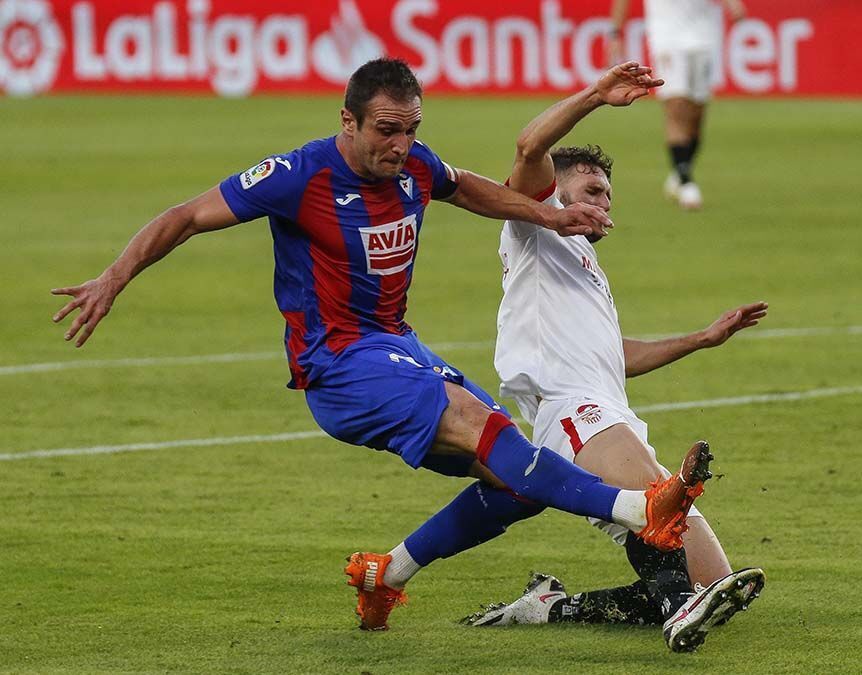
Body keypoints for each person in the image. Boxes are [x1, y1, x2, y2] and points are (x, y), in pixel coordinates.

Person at [50, 58, 712, 633]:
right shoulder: (300, 176)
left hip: (398, 346)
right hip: (338, 363)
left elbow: (462, 185)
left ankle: (385, 572)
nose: (400, 145)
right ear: (348, 121)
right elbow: (188, 215)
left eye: (411, 129)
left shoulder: (414, 165)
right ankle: (641, 508)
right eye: (386, 130)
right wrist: (115, 276)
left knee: (519, 480)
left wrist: (548, 213)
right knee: (481, 424)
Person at [388, 62, 768, 651]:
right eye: (592, 191)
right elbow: (529, 143)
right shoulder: (533, 228)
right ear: (554, 191)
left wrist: (701, 338)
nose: (605, 206)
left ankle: (554, 607)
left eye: (609, 196)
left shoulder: (585, 264)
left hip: (609, 409)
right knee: (659, 518)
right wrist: (595, 95)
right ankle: (676, 612)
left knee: (715, 579)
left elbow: (613, 356)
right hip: (572, 413)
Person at [608, 0, 747, 210]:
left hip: (705, 36)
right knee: (677, 106)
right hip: (668, 38)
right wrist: (615, 33)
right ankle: (686, 181)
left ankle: (680, 169)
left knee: (696, 114)